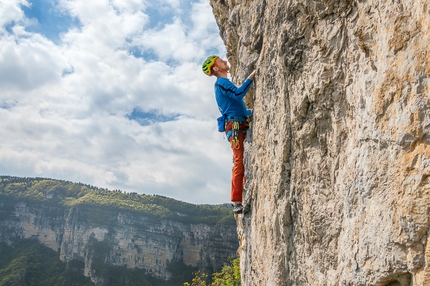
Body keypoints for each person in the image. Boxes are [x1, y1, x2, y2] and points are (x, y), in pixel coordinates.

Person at [202, 55, 256, 214]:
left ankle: (242, 194)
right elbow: (239, 94)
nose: (224, 61)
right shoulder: (221, 83)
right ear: (216, 69)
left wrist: (250, 112)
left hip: (237, 123)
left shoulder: (222, 84)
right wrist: (251, 78)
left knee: (242, 160)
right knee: (239, 161)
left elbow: (234, 108)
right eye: (220, 61)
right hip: (236, 127)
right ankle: (236, 200)